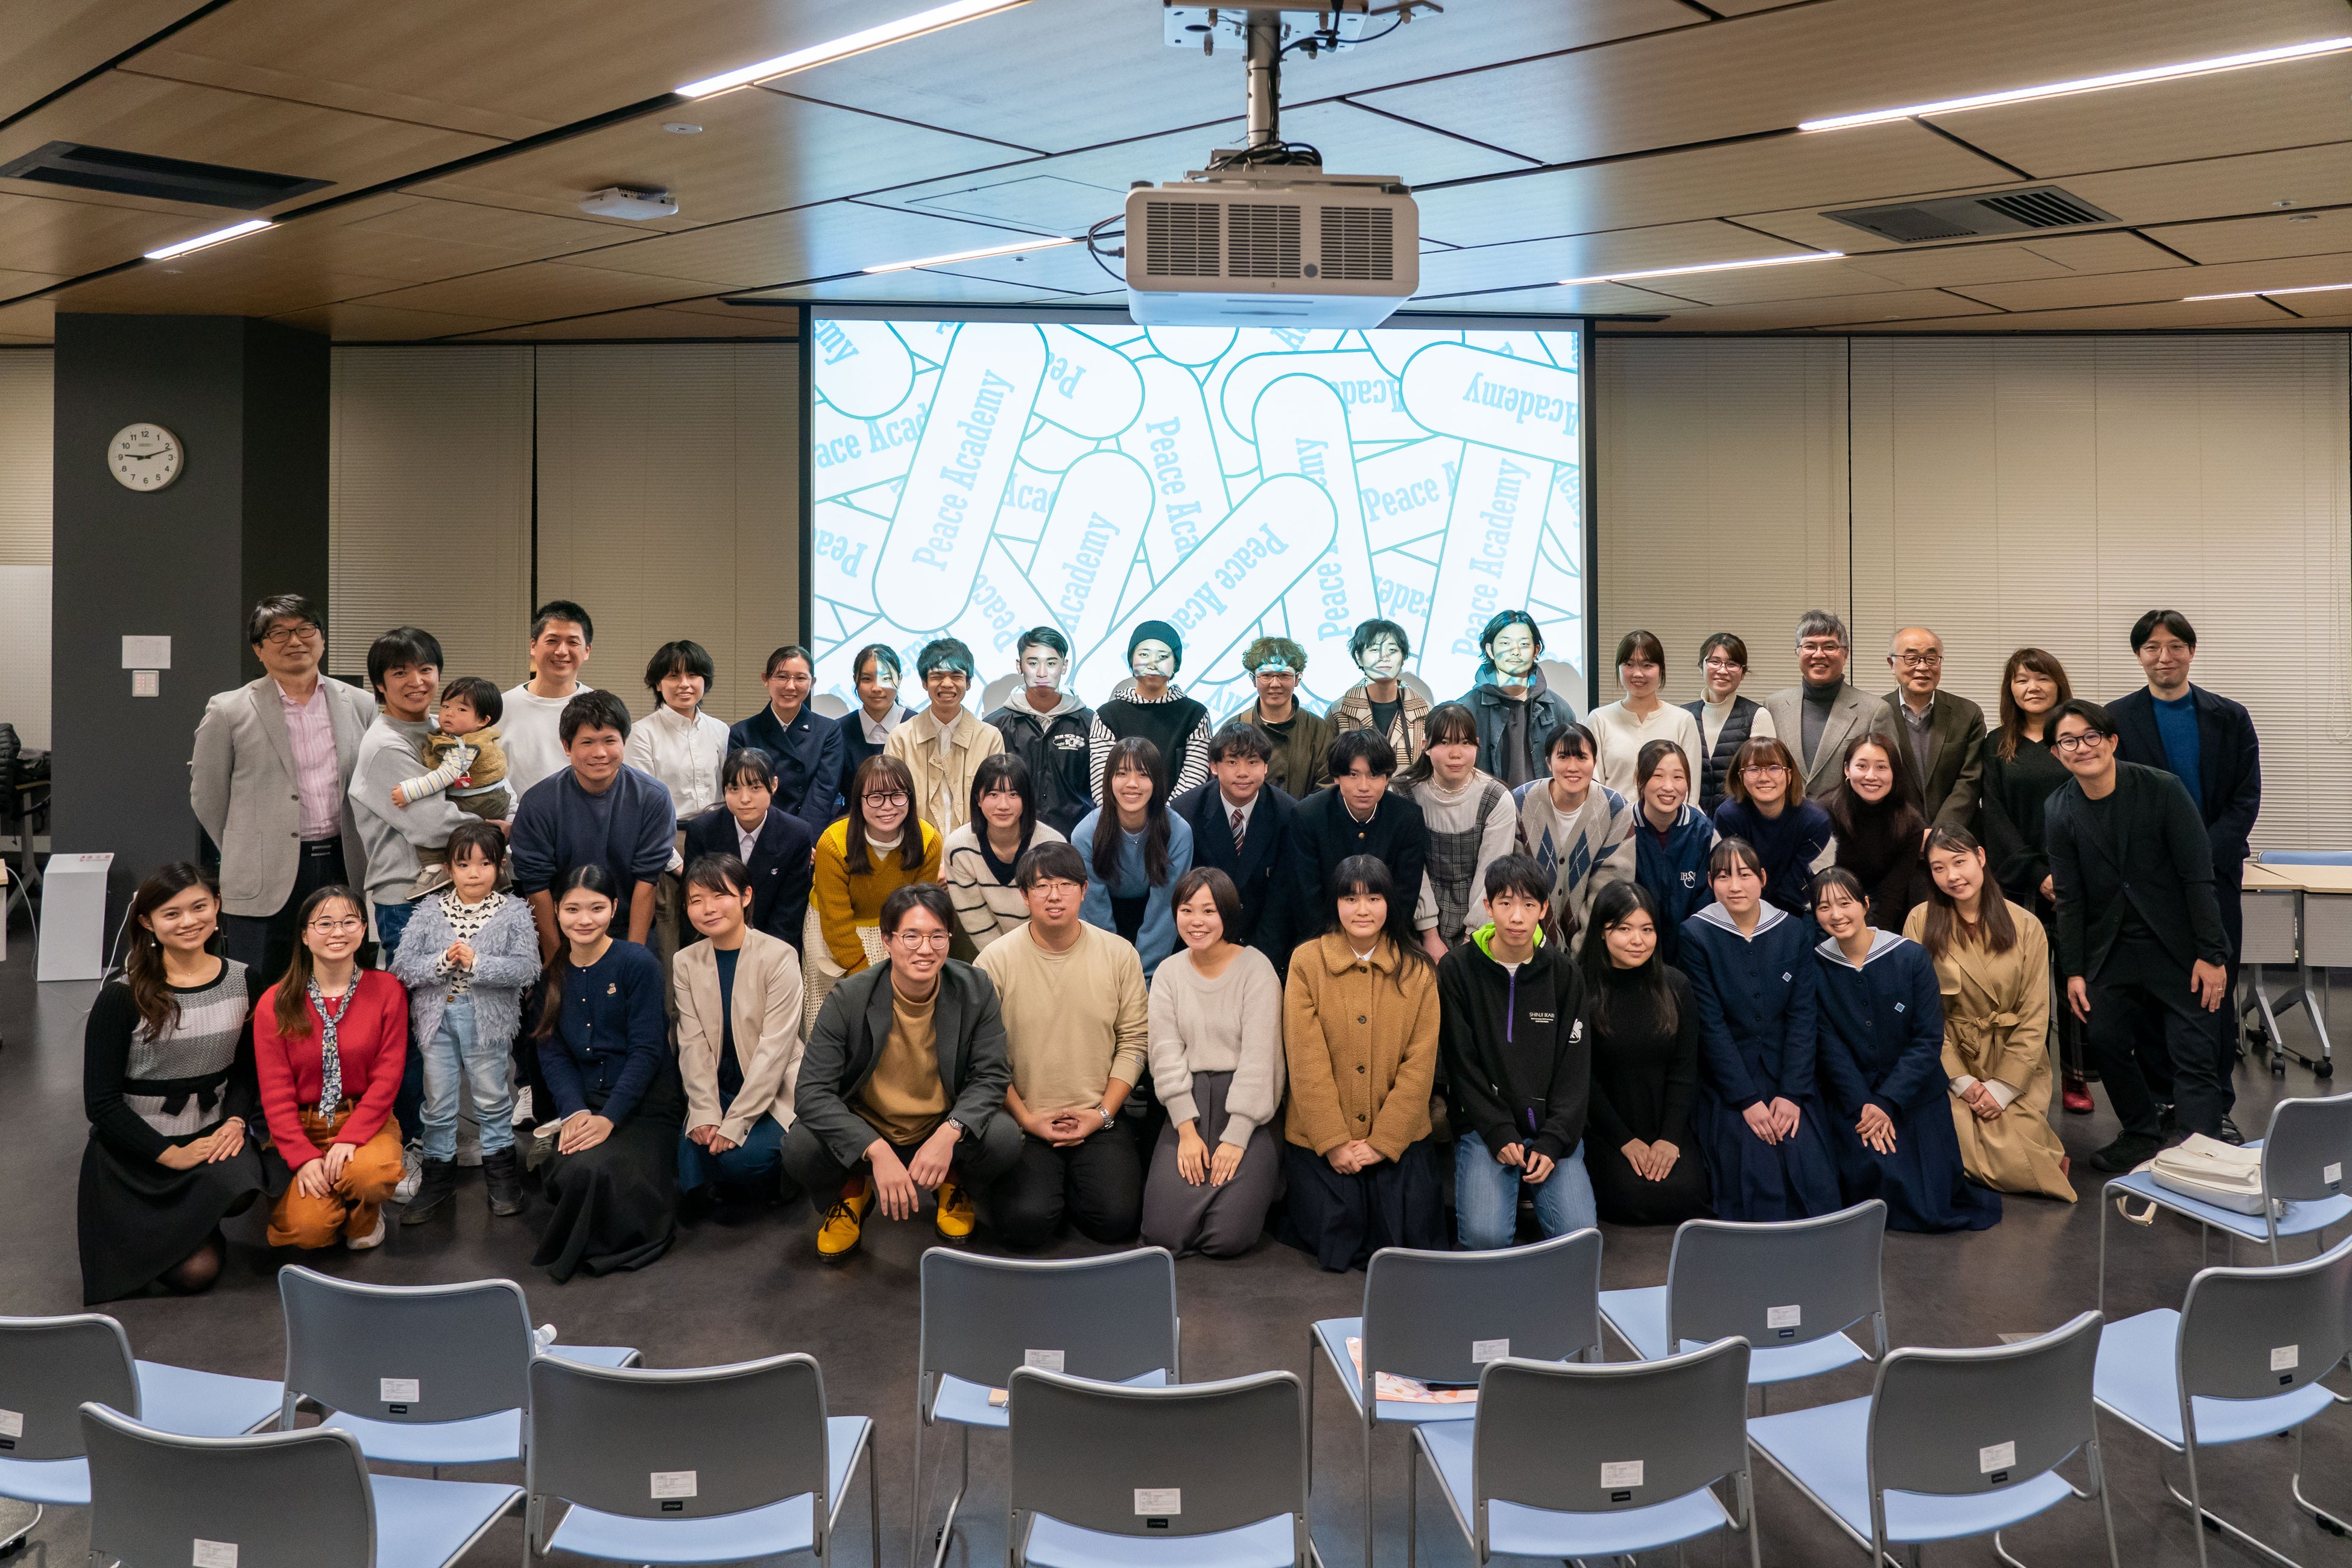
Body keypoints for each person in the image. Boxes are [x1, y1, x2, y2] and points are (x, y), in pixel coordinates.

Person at [782, 883, 1023, 1259]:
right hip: (870, 1124)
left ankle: (951, 1181)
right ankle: (851, 1192)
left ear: (949, 938)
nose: (925, 949)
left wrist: (950, 1132)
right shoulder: (849, 997)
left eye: (937, 936)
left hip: (940, 1124)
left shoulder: (975, 989)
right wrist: (874, 1148)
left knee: (1004, 1138)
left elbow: (991, 1076)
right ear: (887, 941)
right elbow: (812, 1092)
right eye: (911, 936)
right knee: (800, 1147)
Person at [2045, 700, 2234, 1171]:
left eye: (2091, 736)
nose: (2082, 747)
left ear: (2111, 741)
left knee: (2193, 1051)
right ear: (2057, 753)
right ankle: (2139, 1131)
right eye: (2069, 741)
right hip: (2110, 949)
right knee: (2106, 1039)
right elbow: (2069, 896)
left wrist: (2212, 954)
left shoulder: (2162, 789)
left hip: (2178, 946)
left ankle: (2201, 1151)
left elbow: (2198, 876)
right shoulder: (2059, 809)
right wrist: (2074, 970)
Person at [78, 865, 267, 1303]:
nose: (189, 921)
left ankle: (196, 1222)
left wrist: (236, 1121)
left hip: (209, 1134)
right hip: (137, 1155)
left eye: (199, 907)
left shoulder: (244, 980)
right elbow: (101, 1104)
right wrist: (171, 1155)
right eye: (171, 913)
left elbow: (246, 1070)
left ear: (217, 907)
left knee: (243, 1188)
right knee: (196, 1274)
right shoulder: (122, 995)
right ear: (147, 922)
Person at [2107, 609, 2260, 1084]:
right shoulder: (2117, 718)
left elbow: (2244, 798)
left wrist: (2202, 858)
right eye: (2152, 647)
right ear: (2138, 656)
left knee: (2216, 986)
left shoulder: (2230, 717)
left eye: (2175, 646)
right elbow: (2116, 800)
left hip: (2215, 874)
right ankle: (2163, 1096)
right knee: (2154, 989)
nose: (2164, 656)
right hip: (2148, 880)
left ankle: (2217, 1099)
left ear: (2191, 651)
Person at [191, 594, 376, 984]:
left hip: (343, 863)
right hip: (263, 872)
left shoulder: (361, 705)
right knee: (261, 985)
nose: (295, 641)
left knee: (340, 981)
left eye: (305, 629)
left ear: (322, 639)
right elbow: (207, 797)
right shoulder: (229, 710)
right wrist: (245, 847)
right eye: (278, 633)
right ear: (259, 649)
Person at [977, 842, 1152, 1247]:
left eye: (1065, 884)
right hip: (1025, 1119)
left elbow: (1133, 1041)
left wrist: (1102, 1114)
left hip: (1099, 1116)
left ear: (1084, 890)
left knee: (1116, 1221)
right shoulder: (994, 961)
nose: (1053, 896)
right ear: (1024, 896)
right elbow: (983, 1057)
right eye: (1041, 886)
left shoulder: (1119, 954)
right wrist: (1025, 1118)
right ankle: (1044, 1190)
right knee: (1025, 1225)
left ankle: (1069, 1184)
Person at [1279, 855, 1446, 1270]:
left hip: (1399, 1137)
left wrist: (1382, 1143)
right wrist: (1334, 1141)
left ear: (1390, 902)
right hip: (1320, 1140)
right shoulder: (1306, 962)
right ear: (1335, 904)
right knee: (1341, 1224)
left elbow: (1420, 1067)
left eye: (1374, 898)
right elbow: (1306, 1062)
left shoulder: (1418, 970)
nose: (1362, 910)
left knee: (1401, 1233)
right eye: (1350, 899)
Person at [1811, 868, 1999, 1233]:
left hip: (1914, 1093)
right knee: (1871, 1172)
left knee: (1926, 1199)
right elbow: (1829, 1046)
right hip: (1854, 1096)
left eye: (1845, 903)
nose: (1836, 915)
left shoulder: (1911, 957)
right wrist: (1864, 1104)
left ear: (1865, 904)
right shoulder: (1816, 964)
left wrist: (1887, 1102)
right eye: (1824, 907)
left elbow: (1928, 1039)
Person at [1906, 827, 2075, 1201]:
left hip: (2013, 1062)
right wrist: (1961, 1082)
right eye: (1938, 868)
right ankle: (2044, 1161)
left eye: (1959, 862)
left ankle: (2035, 1154)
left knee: (2000, 1136)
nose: (1952, 876)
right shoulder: (1920, 920)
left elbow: (2035, 1016)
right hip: (1949, 1059)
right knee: (1951, 1138)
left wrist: (2001, 1089)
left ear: (1981, 857)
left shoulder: (2026, 925)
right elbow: (1922, 1013)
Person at [531, 865, 683, 1280]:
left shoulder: (638, 963)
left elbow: (647, 1050)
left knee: (596, 1170)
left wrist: (609, 1117)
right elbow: (553, 1055)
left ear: (614, 908)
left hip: (644, 1105)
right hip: (585, 1101)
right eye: (573, 909)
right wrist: (575, 1111)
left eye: (596, 908)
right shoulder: (551, 974)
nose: (584, 919)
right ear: (556, 911)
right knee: (571, 1166)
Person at [1677, 839, 1839, 1222]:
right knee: (1752, 1164)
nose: (1735, 886)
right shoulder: (1695, 934)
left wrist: (1792, 1093)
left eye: (1745, 875)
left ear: (1763, 878)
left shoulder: (1794, 930)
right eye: (1723, 876)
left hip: (1788, 1072)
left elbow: (1803, 1016)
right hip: (1730, 1078)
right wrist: (1747, 1099)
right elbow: (1710, 1024)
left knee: (1810, 1167)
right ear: (1710, 883)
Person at [1439, 855, 1596, 1250]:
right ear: (1488, 907)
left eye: (1528, 904)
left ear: (1543, 910)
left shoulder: (1565, 974)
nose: (1516, 916)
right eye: (1505, 903)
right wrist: (1497, 1130)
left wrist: (1554, 1140)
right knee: (1485, 1239)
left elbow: (1575, 1071)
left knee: (1579, 1238)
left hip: (1552, 1131)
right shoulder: (1457, 970)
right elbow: (1461, 1064)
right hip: (1485, 1128)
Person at [388, 821, 540, 1225]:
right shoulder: (429, 910)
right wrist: (441, 963)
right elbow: (403, 966)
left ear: (500, 866)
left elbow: (527, 968)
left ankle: (501, 1177)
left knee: (492, 1099)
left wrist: (479, 963)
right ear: (449, 868)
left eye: (485, 863)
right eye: (464, 864)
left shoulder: (514, 912)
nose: (475, 873)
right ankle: (437, 1180)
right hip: (436, 1020)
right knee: (438, 1102)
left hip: (486, 1020)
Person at [1139, 868, 1285, 1258]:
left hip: (1247, 1109)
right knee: (1162, 1235)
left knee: (1227, 1239)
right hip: (1187, 1105)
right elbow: (1164, 1054)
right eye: (1187, 910)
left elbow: (1261, 1060)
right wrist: (1186, 1132)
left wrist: (1236, 1138)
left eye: (1209, 911)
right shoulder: (1168, 973)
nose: (1197, 922)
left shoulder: (1256, 969)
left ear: (1228, 914)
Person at [253, 885, 406, 1251]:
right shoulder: (275, 1001)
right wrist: (302, 1158)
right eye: (324, 923)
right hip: (302, 1126)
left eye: (349, 922)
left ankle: (364, 1212)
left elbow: (387, 1078)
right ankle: (332, 1198)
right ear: (305, 936)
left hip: (364, 1119)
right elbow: (275, 1093)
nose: (338, 932)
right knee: (308, 1232)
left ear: (364, 930)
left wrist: (352, 1137)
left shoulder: (387, 989)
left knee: (369, 1175)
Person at [1977, 648, 2091, 1113]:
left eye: (2042, 678)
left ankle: (2077, 1078)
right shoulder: (1997, 744)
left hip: (2078, 879)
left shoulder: (2075, 738)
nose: (2033, 688)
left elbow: (2093, 804)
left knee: (2074, 981)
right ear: (2011, 689)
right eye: (2022, 680)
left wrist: (2065, 875)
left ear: (2058, 684)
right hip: (2018, 880)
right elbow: (1994, 816)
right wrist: (2038, 873)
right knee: (2021, 986)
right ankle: (2026, 1073)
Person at [673, 853, 805, 1221]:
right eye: (696, 900)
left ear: (746, 896)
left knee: (740, 1160)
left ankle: (787, 1177)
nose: (708, 909)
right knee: (694, 1150)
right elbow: (692, 1043)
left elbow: (774, 1051)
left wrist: (736, 1123)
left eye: (720, 896)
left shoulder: (779, 956)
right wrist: (704, 1112)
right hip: (720, 1083)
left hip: (773, 1084)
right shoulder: (685, 961)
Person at [1576, 882, 1712, 1225]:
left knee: (1688, 1194)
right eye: (1624, 929)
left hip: (1666, 1124)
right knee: (1631, 1197)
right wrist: (1625, 1140)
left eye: (1647, 930)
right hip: (1608, 1129)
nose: (1638, 940)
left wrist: (1669, 1138)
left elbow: (1685, 1071)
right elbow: (1583, 1079)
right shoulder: (1580, 988)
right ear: (1602, 931)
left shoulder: (1676, 986)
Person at [509, 689, 676, 959]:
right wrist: (555, 959)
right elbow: (536, 886)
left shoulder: (652, 798)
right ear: (567, 746)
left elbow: (647, 881)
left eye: (610, 741)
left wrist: (634, 956)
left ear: (625, 741)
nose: (600, 753)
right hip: (562, 930)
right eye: (587, 742)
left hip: (626, 926)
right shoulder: (539, 802)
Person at [348, 628, 471, 958]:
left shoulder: (444, 729)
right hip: (409, 896)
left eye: (426, 669)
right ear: (380, 684)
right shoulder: (385, 745)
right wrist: (494, 829)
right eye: (400, 673)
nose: (416, 681)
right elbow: (432, 825)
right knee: (420, 991)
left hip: (457, 886)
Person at [806, 754, 943, 1031]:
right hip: (832, 931)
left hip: (897, 932)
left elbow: (919, 914)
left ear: (910, 798)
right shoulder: (833, 843)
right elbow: (836, 921)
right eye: (875, 797)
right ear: (859, 800)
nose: (887, 807)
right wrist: (866, 978)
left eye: (897, 796)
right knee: (836, 1018)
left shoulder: (929, 841)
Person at [625, 640, 730, 975]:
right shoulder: (642, 733)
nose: (684, 684)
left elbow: (730, 791)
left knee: (721, 932)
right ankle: (671, 1009)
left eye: (693, 675)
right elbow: (641, 809)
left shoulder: (721, 731)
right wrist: (676, 865)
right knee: (671, 936)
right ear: (658, 684)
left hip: (716, 841)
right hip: (668, 843)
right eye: (673, 676)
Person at [1291, 729, 1439, 962]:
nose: (1364, 786)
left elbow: (1404, 896)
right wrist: (1335, 951)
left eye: (1374, 775)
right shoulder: (1308, 816)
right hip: (1323, 940)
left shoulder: (1407, 817)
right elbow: (1307, 898)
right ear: (1336, 777)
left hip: (1388, 939)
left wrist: (1376, 949)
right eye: (1353, 775)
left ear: (1387, 778)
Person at [1169, 721, 1301, 975]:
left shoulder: (1288, 814)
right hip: (1201, 941)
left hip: (1265, 944)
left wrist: (1258, 962)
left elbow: (1282, 898)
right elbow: (1182, 890)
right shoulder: (1186, 811)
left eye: (1252, 762)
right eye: (1232, 762)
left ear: (1266, 767)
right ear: (1214, 767)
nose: (1243, 773)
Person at [680, 748, 817, 956]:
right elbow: (694, 898)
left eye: (755, 788)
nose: (745, 799)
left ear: (774, 785)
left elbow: (790, 911)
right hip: (713, 943)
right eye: (734, 789)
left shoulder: (796, 834)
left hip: (773, 947)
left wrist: (762, 956)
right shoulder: (703, 830)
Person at [1511, 724, 1634, 947]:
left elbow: (1610, 890)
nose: (1573, 767)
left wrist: (1583, 948)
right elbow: (1513, 883)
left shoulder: (1616, 810)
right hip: (1527, 944)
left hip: (1593, 945)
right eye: (1563, 757)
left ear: (1594, 762)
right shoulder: (1519, 803)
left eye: (1582, 758)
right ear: (1548, 762)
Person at [1409, 702, 1518, 950]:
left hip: (1481, 921)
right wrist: (1429, 935)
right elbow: (1412, 870)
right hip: (1415, 919)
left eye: (1465, 743)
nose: (1456, 753)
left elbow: (1491, 874)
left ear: (1477, 745)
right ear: (1426, 746)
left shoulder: (1496, 798)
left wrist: (1473, 939)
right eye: (1444, 742)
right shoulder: (1405, 793)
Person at [1762, 610, 1895, 804]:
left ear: (1845, 653)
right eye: (1809, 646)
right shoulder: (1774, 706)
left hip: (1848, 821)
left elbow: (1887, 780)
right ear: (1797, 652)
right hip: (1786, 820)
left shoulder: (1875, 711)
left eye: (1829, 647)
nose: (1819, 654)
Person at [944, 754, 1066, 955]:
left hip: (1045, 948)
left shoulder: (1052, 846)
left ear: (1026, 799)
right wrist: (1002, 962)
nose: (1003, 805)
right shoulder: (959, 848)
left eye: (1014, 794)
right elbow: (977, 919)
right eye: (993, 794)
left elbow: (1053, 914)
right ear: (978, 799)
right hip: (992, 954)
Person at [885, 636, 1006, 835]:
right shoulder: (901, 738)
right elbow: (891, 802)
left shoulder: (990, 738)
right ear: (924, 683)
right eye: (937, 676)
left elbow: (997, 801)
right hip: (917, 847)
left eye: (957, 676)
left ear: (968, 683)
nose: (947, 684)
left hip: (973, 847)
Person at [987, 627, 1095, 836]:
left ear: (1064, 666)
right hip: (1014, 840)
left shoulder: (1090, 724)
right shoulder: (995, 727)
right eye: (1033, 663)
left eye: (1051, 663)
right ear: (1019, 666)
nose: (1042, 673)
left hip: (1075, 840)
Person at [1712, 736, 1834, 922]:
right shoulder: (1728, 817)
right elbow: (1730, 878)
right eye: (1753, 769)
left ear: (1789, 775)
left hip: (1796, 913)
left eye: (1774, 768)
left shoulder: (1816, 822)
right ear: (1741, 776)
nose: (1764, 778)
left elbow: (1802, 886)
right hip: (1739, 910)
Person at [1090, 620, 1212, 801]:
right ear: (1131, 660)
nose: (1153, 664)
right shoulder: (1106, 716)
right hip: (1118, 816)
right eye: (1144, 654)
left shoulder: (1195, 715)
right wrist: (1128, 815)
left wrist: (1166, 816)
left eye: (1163, 657)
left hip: (1177, 816)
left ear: (1175, 664)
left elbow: (1193, 781)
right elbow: (1102, 783)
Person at [728, 644, 842, 836]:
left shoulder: (828, 731)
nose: (790, 686)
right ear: (766, 679)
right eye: (782, 677)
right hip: (760, 832)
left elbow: (823, 792)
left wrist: (804, 839)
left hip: (809, 834)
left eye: (800, 678)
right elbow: (742, 793)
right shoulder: (742, 732)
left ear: (812, 683)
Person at [1880, 627, 1985, 830]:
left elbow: (1971, 780)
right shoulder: (1877, 714)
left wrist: (1939, 834)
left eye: (1932, 659)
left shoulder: (1967, 713)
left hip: (1956, 835)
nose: (1923, 667)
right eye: (1911, 659)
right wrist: (1914, 834)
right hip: (1898, 834)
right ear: (1892, 664)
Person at [1459, 609, 1575, 789]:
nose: (1516, 652)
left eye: (1524, 644)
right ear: (1490, 650)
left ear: (1536, 650)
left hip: (1543, 805)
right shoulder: (1466, 709)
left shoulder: (1558, 709)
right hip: (1485, 805)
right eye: (1505, 643)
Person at [1828, 733, 1930, 935]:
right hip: (1831, 912)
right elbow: (1822, 883)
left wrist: (1871, 939)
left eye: (1881, 767)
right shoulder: (1824, 814)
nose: (1871, 776)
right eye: (1862, 766)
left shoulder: (1911, 824)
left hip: (1883, 917)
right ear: (1847, 769)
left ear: (1895, 773)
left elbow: (1892, 894)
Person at [1628, 741, 1717, 967]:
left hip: (1691, 956)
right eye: (1658, 776)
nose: (1669, 787)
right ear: (1639, 778)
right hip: (1632, 953)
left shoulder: (1703, 832)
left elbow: (1707, 906)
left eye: (1678, 777)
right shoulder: (1623, 827)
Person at [1588, 630, 1706, 800]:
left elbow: (1690, 791)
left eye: (1647, 665)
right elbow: (1594, 786)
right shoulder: (1600, 719)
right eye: (1629, 665)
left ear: (1661, 669)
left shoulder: (1682, 720)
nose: (1638, 673)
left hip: (1670, 817)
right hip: (1614, 816)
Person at [501, 600, 599, 801]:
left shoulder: (600, 708)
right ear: (534, 646)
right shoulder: (500, 707)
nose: (561, 651)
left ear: (587, 651)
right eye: (552, 641)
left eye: (573, 642)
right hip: (515, 817)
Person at [388, 677, 513, 824]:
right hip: (489, 799)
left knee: (428, 818)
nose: (450, 713)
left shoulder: (468, 746)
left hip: (479, 803)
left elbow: (446, 775)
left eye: (462, 709)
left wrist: (409, 791)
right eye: (446, 706)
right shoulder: (467, 735)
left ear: (483, 720)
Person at [1225, 636, 1333, 800]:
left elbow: (1327, 787)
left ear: (1297, 679)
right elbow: (1223, 783)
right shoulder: (1233, 727)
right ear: (1253, 680)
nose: (1275, 684)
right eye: (1266, 675)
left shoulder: (1319, 730)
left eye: (1284, 675)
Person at [1683, 633, 1777, 816]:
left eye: (1732, 664)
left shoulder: (1757, 716)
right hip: (1690, 822)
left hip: (1741, 821)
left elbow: (1765, 779)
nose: (1722, 670)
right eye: (1714, 662)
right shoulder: (1683, 716)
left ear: (1743, 673)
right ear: (1701, 667)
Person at [1329, 618, 1429, 771]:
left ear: (1403, 657)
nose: (1384, 657)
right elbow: (1328, 770)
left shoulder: (1426, 712)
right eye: (1375, 650)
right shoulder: (1339, 711)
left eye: (1392, 650)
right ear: (1359, 657)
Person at [835, 643, 915, 818]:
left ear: (900, 679)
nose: (876, 688)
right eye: (867, 679)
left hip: (910, 823)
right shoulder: (838, 731)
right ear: (855, 680)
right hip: (852, 824)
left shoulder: (918, 727)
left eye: (886, 679)